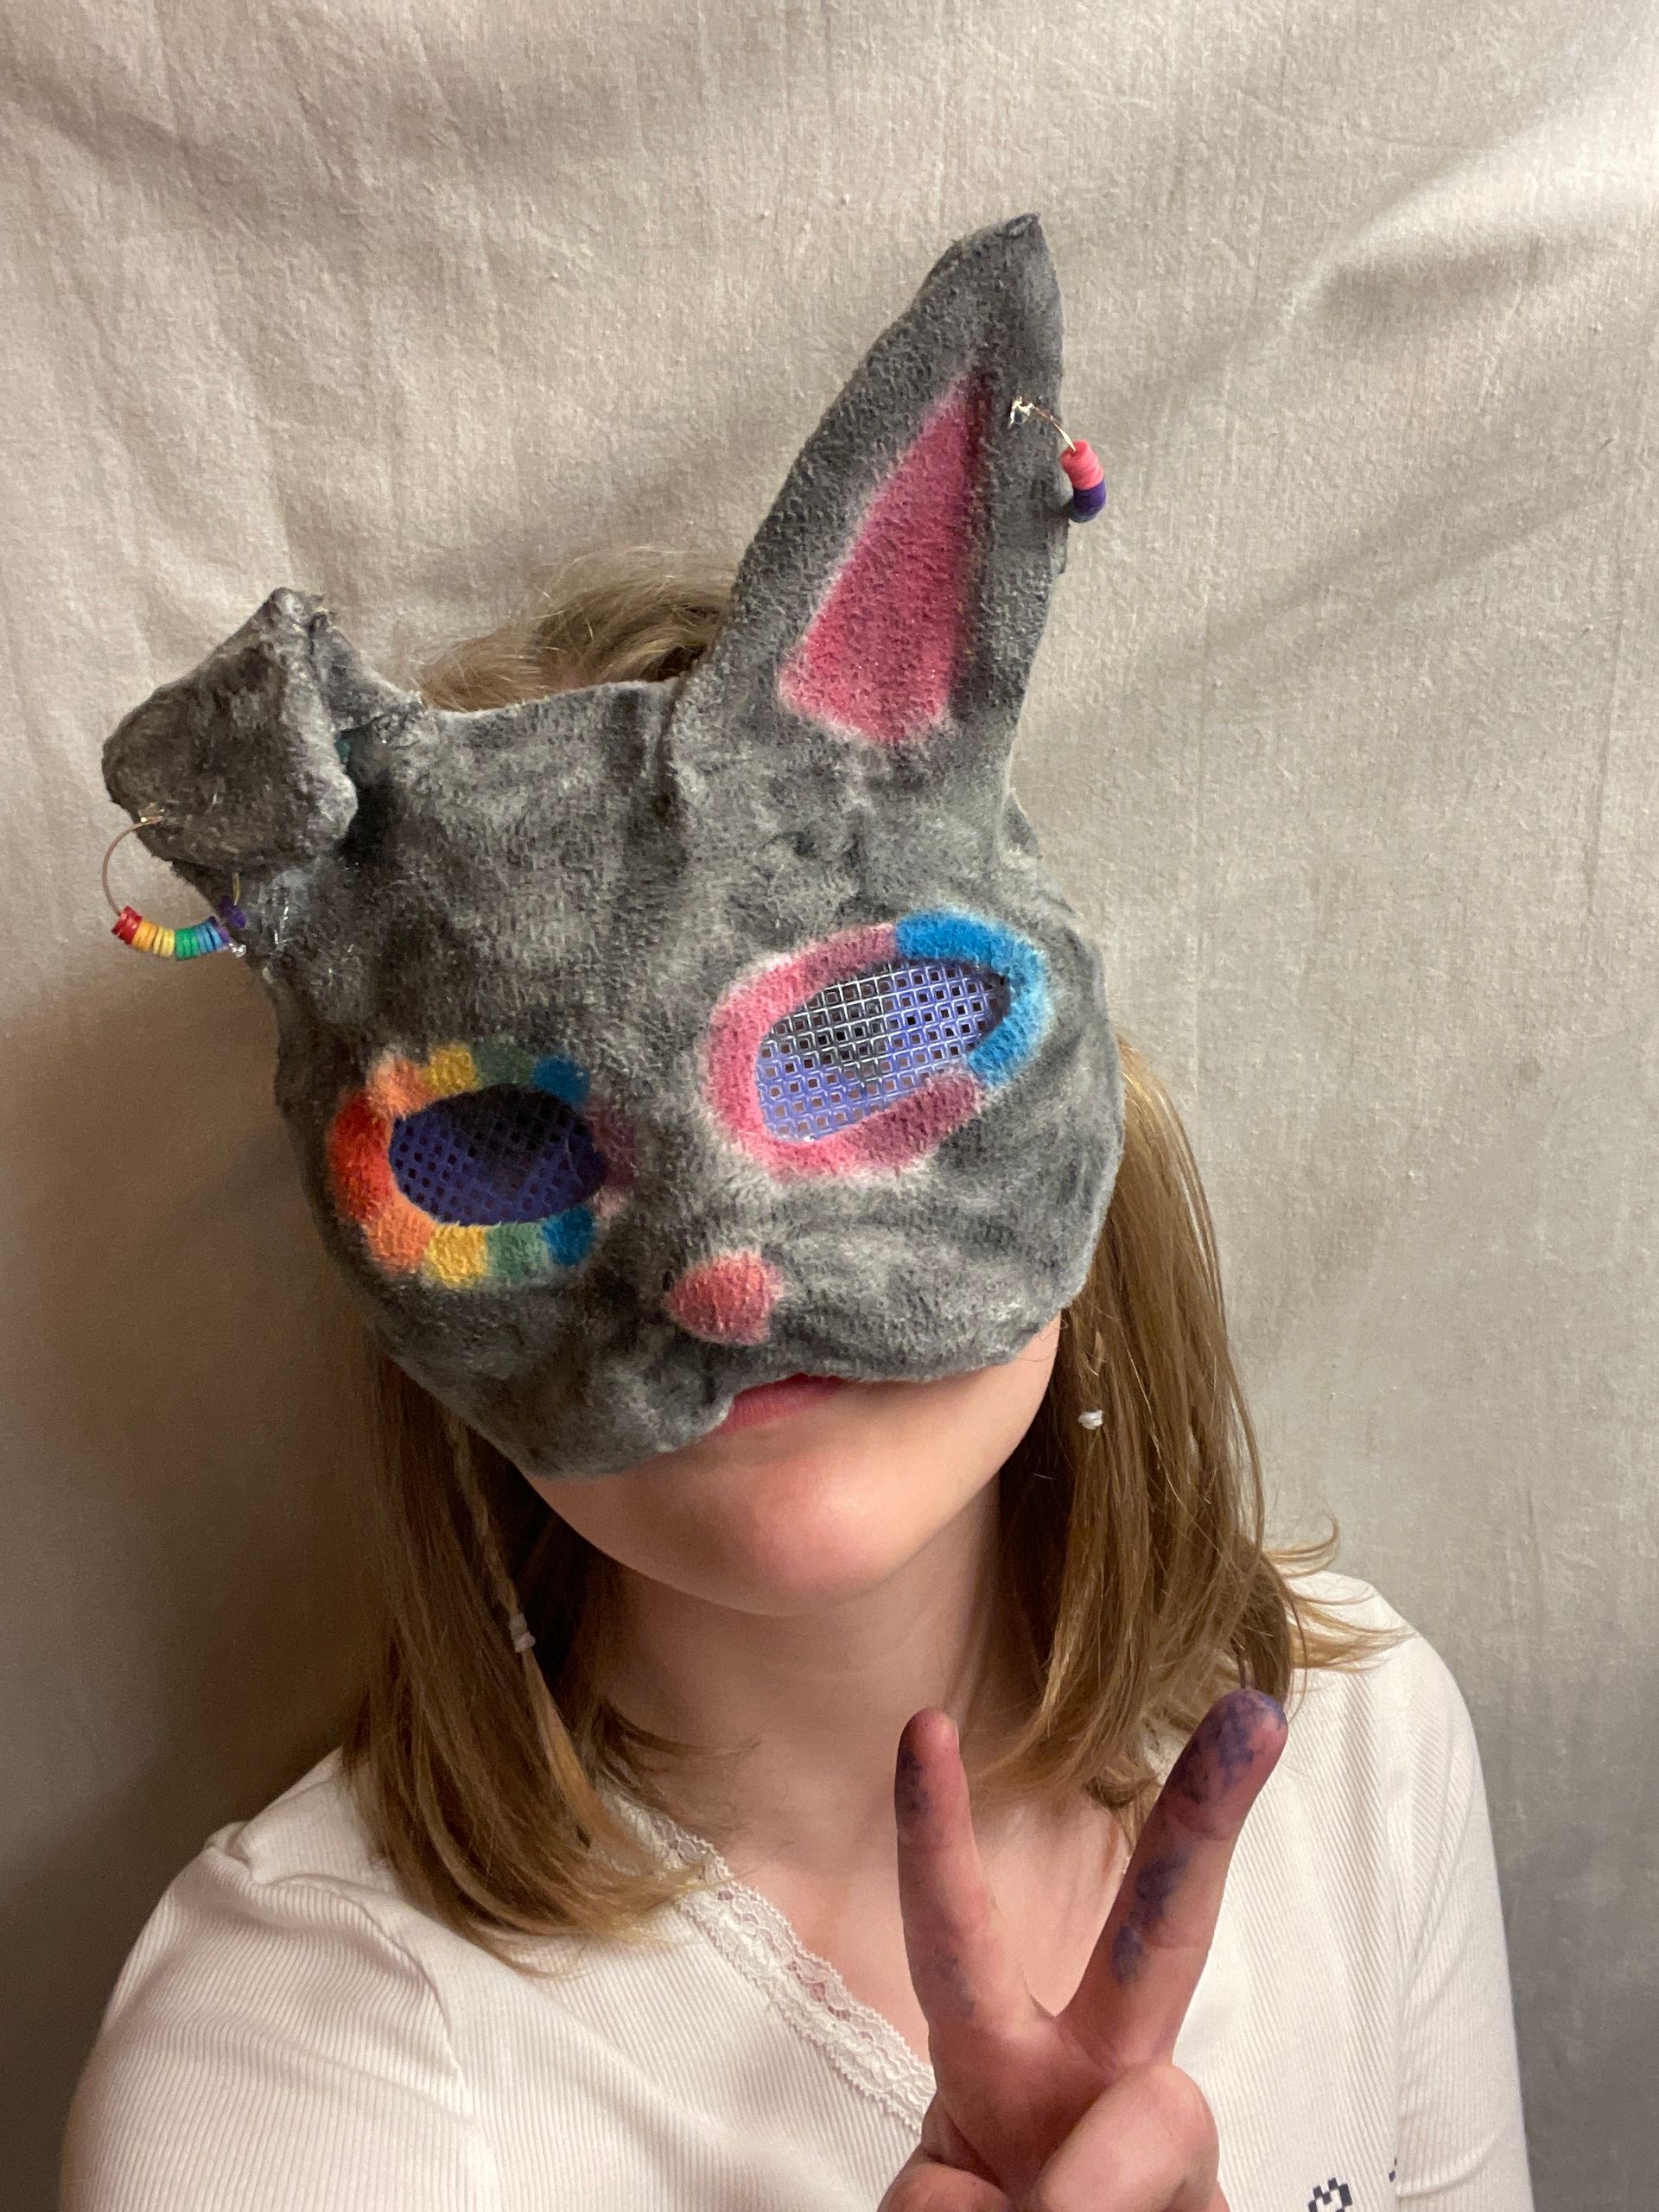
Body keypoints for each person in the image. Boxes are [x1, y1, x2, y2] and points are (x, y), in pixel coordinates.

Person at [63, 219, 1533, 2210]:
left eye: (862, 1042)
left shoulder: (1355, 1745)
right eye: (505, 1148)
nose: (721, 1276)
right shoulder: (289, 2079)